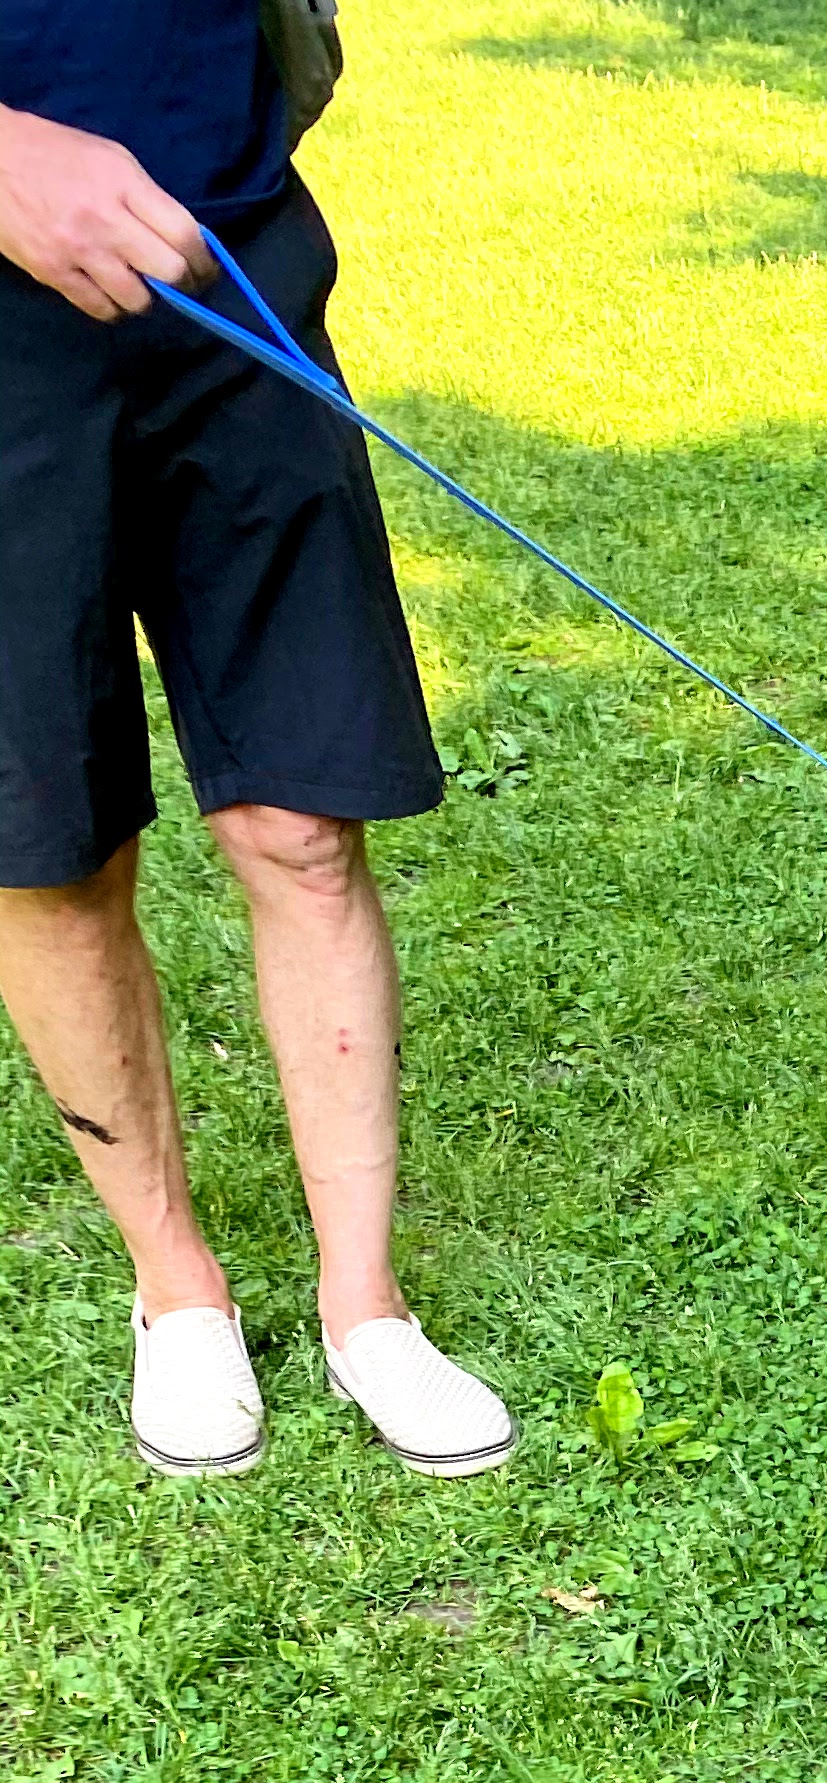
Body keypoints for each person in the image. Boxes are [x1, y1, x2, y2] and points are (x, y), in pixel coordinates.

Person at [0, 2, 513, 1474]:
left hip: (232, 242)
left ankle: (369, 1313)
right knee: (51, 847)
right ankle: (179, 1297)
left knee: (302, 814)